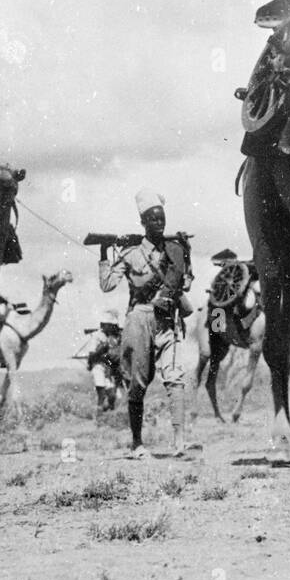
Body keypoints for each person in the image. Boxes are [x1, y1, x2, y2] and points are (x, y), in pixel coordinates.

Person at [98, 189, 194, 458]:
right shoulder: (130, 254)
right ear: (143, 222)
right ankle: (137, 444)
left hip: (167, 319)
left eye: (162, 218)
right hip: (139, 318)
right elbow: (107, 285)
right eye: (153, 219)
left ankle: (179, 442)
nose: (159, 223)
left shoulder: (174, 250)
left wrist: (187, 254)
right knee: (137, 382)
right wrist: (105, 253)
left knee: (175, 377)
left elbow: (185, 282)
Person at [85, 310, 124, 414]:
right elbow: (92, 355)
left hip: (107, 368)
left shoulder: (111, 337)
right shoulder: (97, 336)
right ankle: (99, 415)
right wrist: (101, 350)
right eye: (111, 326)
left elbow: (110, 357)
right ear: (104, 325)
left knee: (112, 396)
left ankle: (107, 413)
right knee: (101, 393)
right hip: (98, 366)